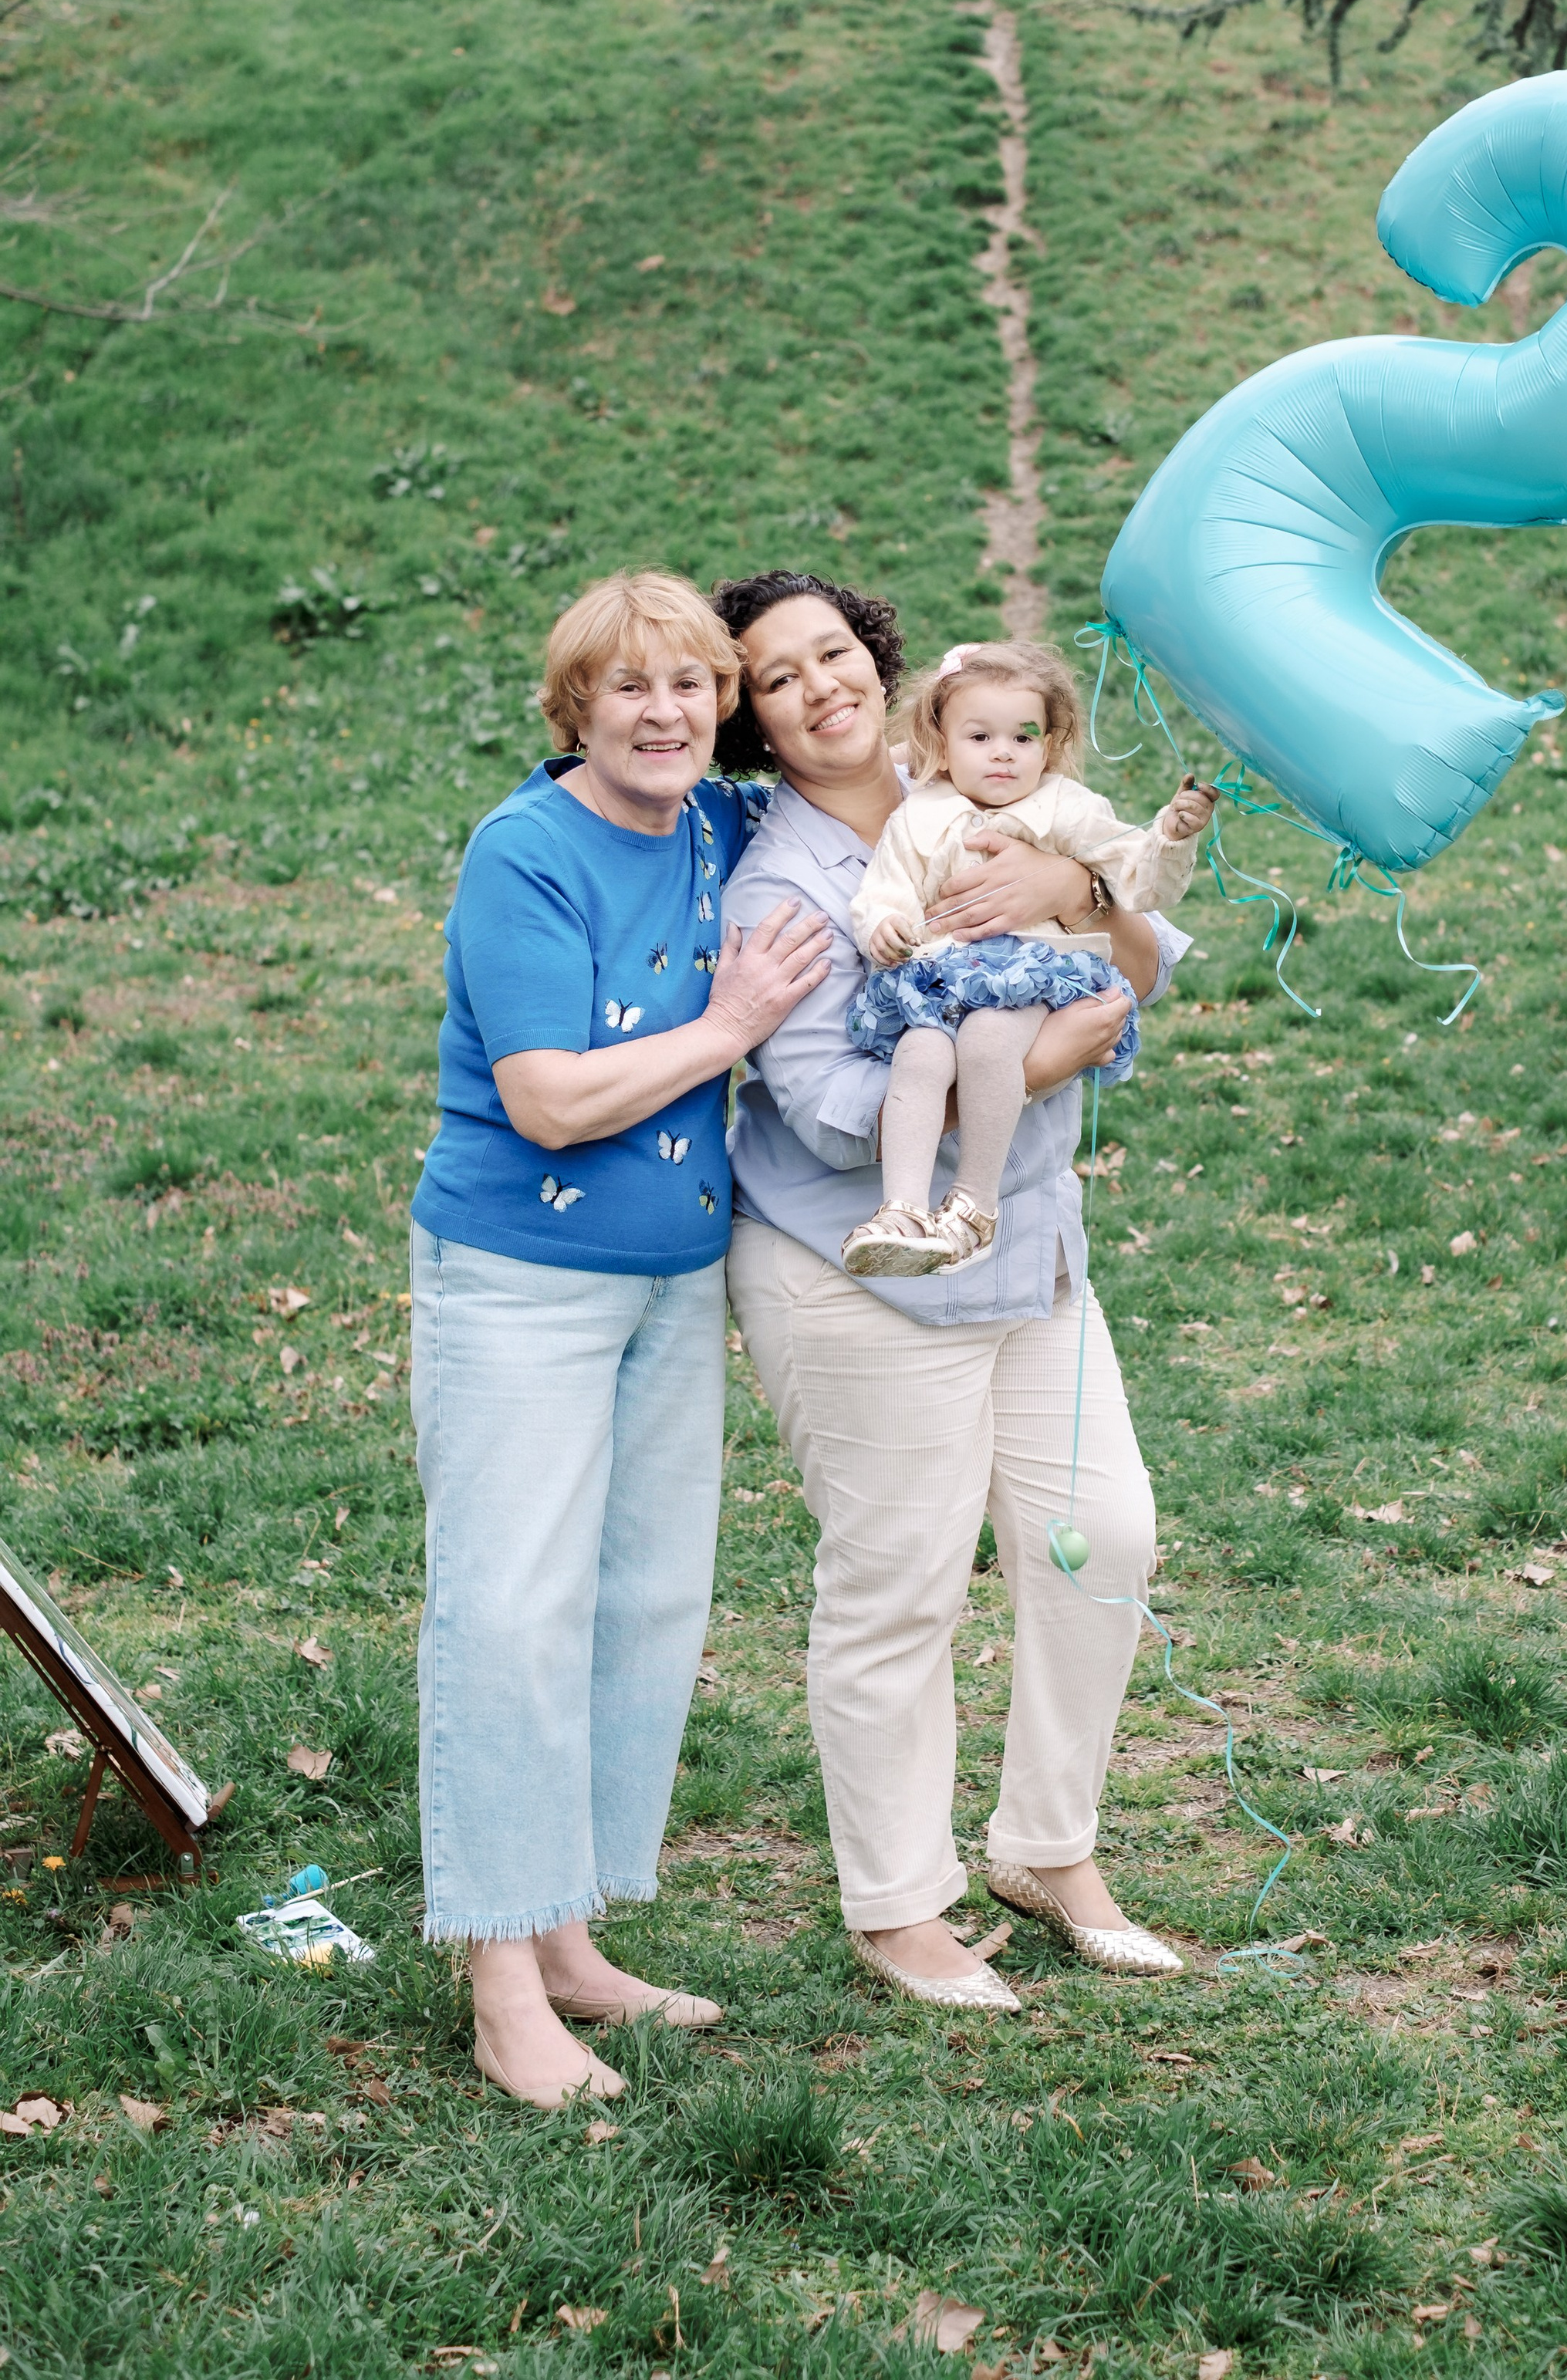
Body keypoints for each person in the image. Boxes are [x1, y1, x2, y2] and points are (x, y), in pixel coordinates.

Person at [713, 569, 1191, 2010]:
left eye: (833, 651)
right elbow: (822, 1104)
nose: (819, 684)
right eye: (778, 676)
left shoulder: (997, 777)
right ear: (755, 719)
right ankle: (899, 1905)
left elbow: (1146, 965)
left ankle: (1048, 1848)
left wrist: (1088, 889)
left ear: (882, 661)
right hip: (859, 1272)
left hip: (1030, 1245)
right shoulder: (785, 877)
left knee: (1103, 1534)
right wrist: (1040, 1058)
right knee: (901, 1589)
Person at [409, 569, 828, 2108]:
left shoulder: (721, 831)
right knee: (509, 1614)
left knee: (637, 1602)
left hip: (672, 1277)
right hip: (520, 1278)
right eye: (628, 687)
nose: (664, 713)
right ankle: (501, 1985)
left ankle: (570, 1933)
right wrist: (728, 1027)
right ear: (573, 705)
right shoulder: (525, 852)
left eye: (690, 687)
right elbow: (545, 1097)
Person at [842, 636, 1213, 1278]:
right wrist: (884, 926)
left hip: (1033, 977)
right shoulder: (918, 817)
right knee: (920, 1053)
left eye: (1023, 737)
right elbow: (886, 890)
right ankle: (901, 1209)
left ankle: (972, 1209)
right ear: (941, 739)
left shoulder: (1063, 806)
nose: (1004, 755)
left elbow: (1135, 878)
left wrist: (1169, 836)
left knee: (988, 1041)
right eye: (980, 737)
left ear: (1049, 741)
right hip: (942, 979)